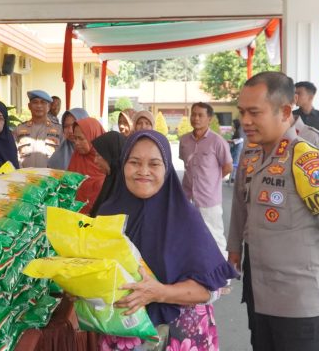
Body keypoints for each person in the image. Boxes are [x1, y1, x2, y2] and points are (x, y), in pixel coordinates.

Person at [227, 71, 319, 350]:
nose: (245, 121)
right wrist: (234, 247)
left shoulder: (307, 159)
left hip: (302, 304)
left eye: (254, 112)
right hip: (262, 297)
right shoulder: (253, 153)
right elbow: (240, 205)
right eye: (242, 112)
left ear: (285, 111)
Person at [97, 130, 237, 350]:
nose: (143, 171)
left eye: (154, 164)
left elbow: (209, 290)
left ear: (167, 169)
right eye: (134, 162)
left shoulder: (184, 218)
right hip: (121, 333)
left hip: (178, 336)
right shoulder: (107, 214)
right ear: (123, 165)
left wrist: (159, 293)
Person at [179, 102, 233, 258]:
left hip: (209, 200)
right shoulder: (184, 141)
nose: (196, 118)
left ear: (209, 119)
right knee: (190, 235)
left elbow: (228, 167)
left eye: (200, 115)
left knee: (215, 237)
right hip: (187, 198)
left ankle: (222, 270)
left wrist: (212, 181)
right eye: (193, 114)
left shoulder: (217, 141)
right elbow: (186, 165)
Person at [66, 117, 106, 215]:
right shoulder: (76, 157)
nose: (77, 143)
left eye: (81, 138)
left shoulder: (107, 161)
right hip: (76, 216)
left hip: (101, 217)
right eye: (75, 138)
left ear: (94, 136)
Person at [15, 90, 63, 168]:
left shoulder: (59, 130)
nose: (39, 106)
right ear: (29, 106)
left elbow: (63, 157)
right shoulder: (19, 130)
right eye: (35, 102)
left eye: (43, 102)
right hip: (25, 175)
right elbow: (14, 156)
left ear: (49, 107)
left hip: (51, 175)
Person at [88, 131, 126, 217]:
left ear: (111, 155)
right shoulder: (111, 179)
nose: (95, 160)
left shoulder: (123, 189)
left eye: (98, 155)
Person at [228, 118, 245, 184]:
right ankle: (231, 178)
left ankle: (233, 178)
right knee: (233, 162)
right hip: (235, 148)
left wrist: (231, 141)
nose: (232, 125)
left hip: (237, 148)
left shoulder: (240, 131)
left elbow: (240, 139)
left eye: (233, 124)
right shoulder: (236, 131)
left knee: (235, 162)